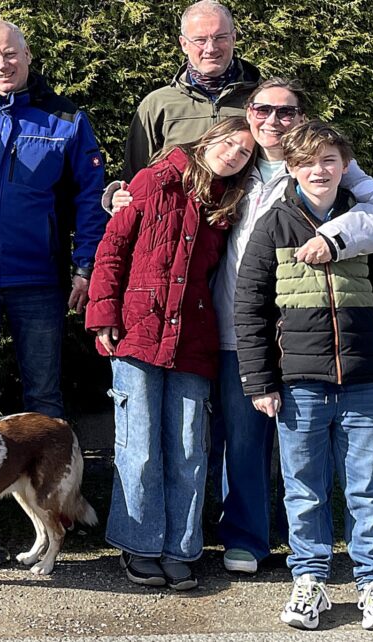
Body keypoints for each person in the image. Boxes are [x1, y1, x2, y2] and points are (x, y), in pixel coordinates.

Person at [110, 78, 373, 576]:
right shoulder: (235, 166)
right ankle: (236, 537)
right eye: (262, 110)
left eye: (286, 112)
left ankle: (293, 544)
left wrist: (334, 235)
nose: (273, 121)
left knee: (290, 442)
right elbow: (168, 199)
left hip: (302, 329)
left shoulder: (322, 165)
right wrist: (121, 195)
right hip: (233, 323)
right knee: (233, 438)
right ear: (248, 112)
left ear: (302, 117)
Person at [0, 20, 107, 564]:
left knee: (45, 402)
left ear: (28, 57)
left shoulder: (65, 120)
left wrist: (85, 266)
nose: (2, 64)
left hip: (38, 281)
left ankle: (57, 509)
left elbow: (90, 198)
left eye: (10, 54)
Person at [88, 117, 256, 591]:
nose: (233, 154)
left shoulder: (228, 202)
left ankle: (180, 548)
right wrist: (103, 312)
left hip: (193, 338)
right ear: (209, 139)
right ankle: (140, 545)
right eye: (229, 143)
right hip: (138, 329)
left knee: (188, 447)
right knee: (139, 445)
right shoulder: (155, 180)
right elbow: (113, 247)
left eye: (244, 153)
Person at [234, 122, 373, 631]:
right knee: (304, 491)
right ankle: (310, 579)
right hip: (299, 385)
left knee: (369, 489)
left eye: (329, 161)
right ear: (291, 169)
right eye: (306, 163)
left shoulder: (366, 221)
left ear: (345, 166)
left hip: (366, 381)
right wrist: (259, 382)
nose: (318, 171)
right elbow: (250, 307)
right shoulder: (273, 225)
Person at [123, 0, 260, 179]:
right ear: (184, 44)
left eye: (220, 37)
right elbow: (135, 179)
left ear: (233, 38)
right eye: (200, 40)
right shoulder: (157, 105)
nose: (211, 48)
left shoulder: (262, 101)